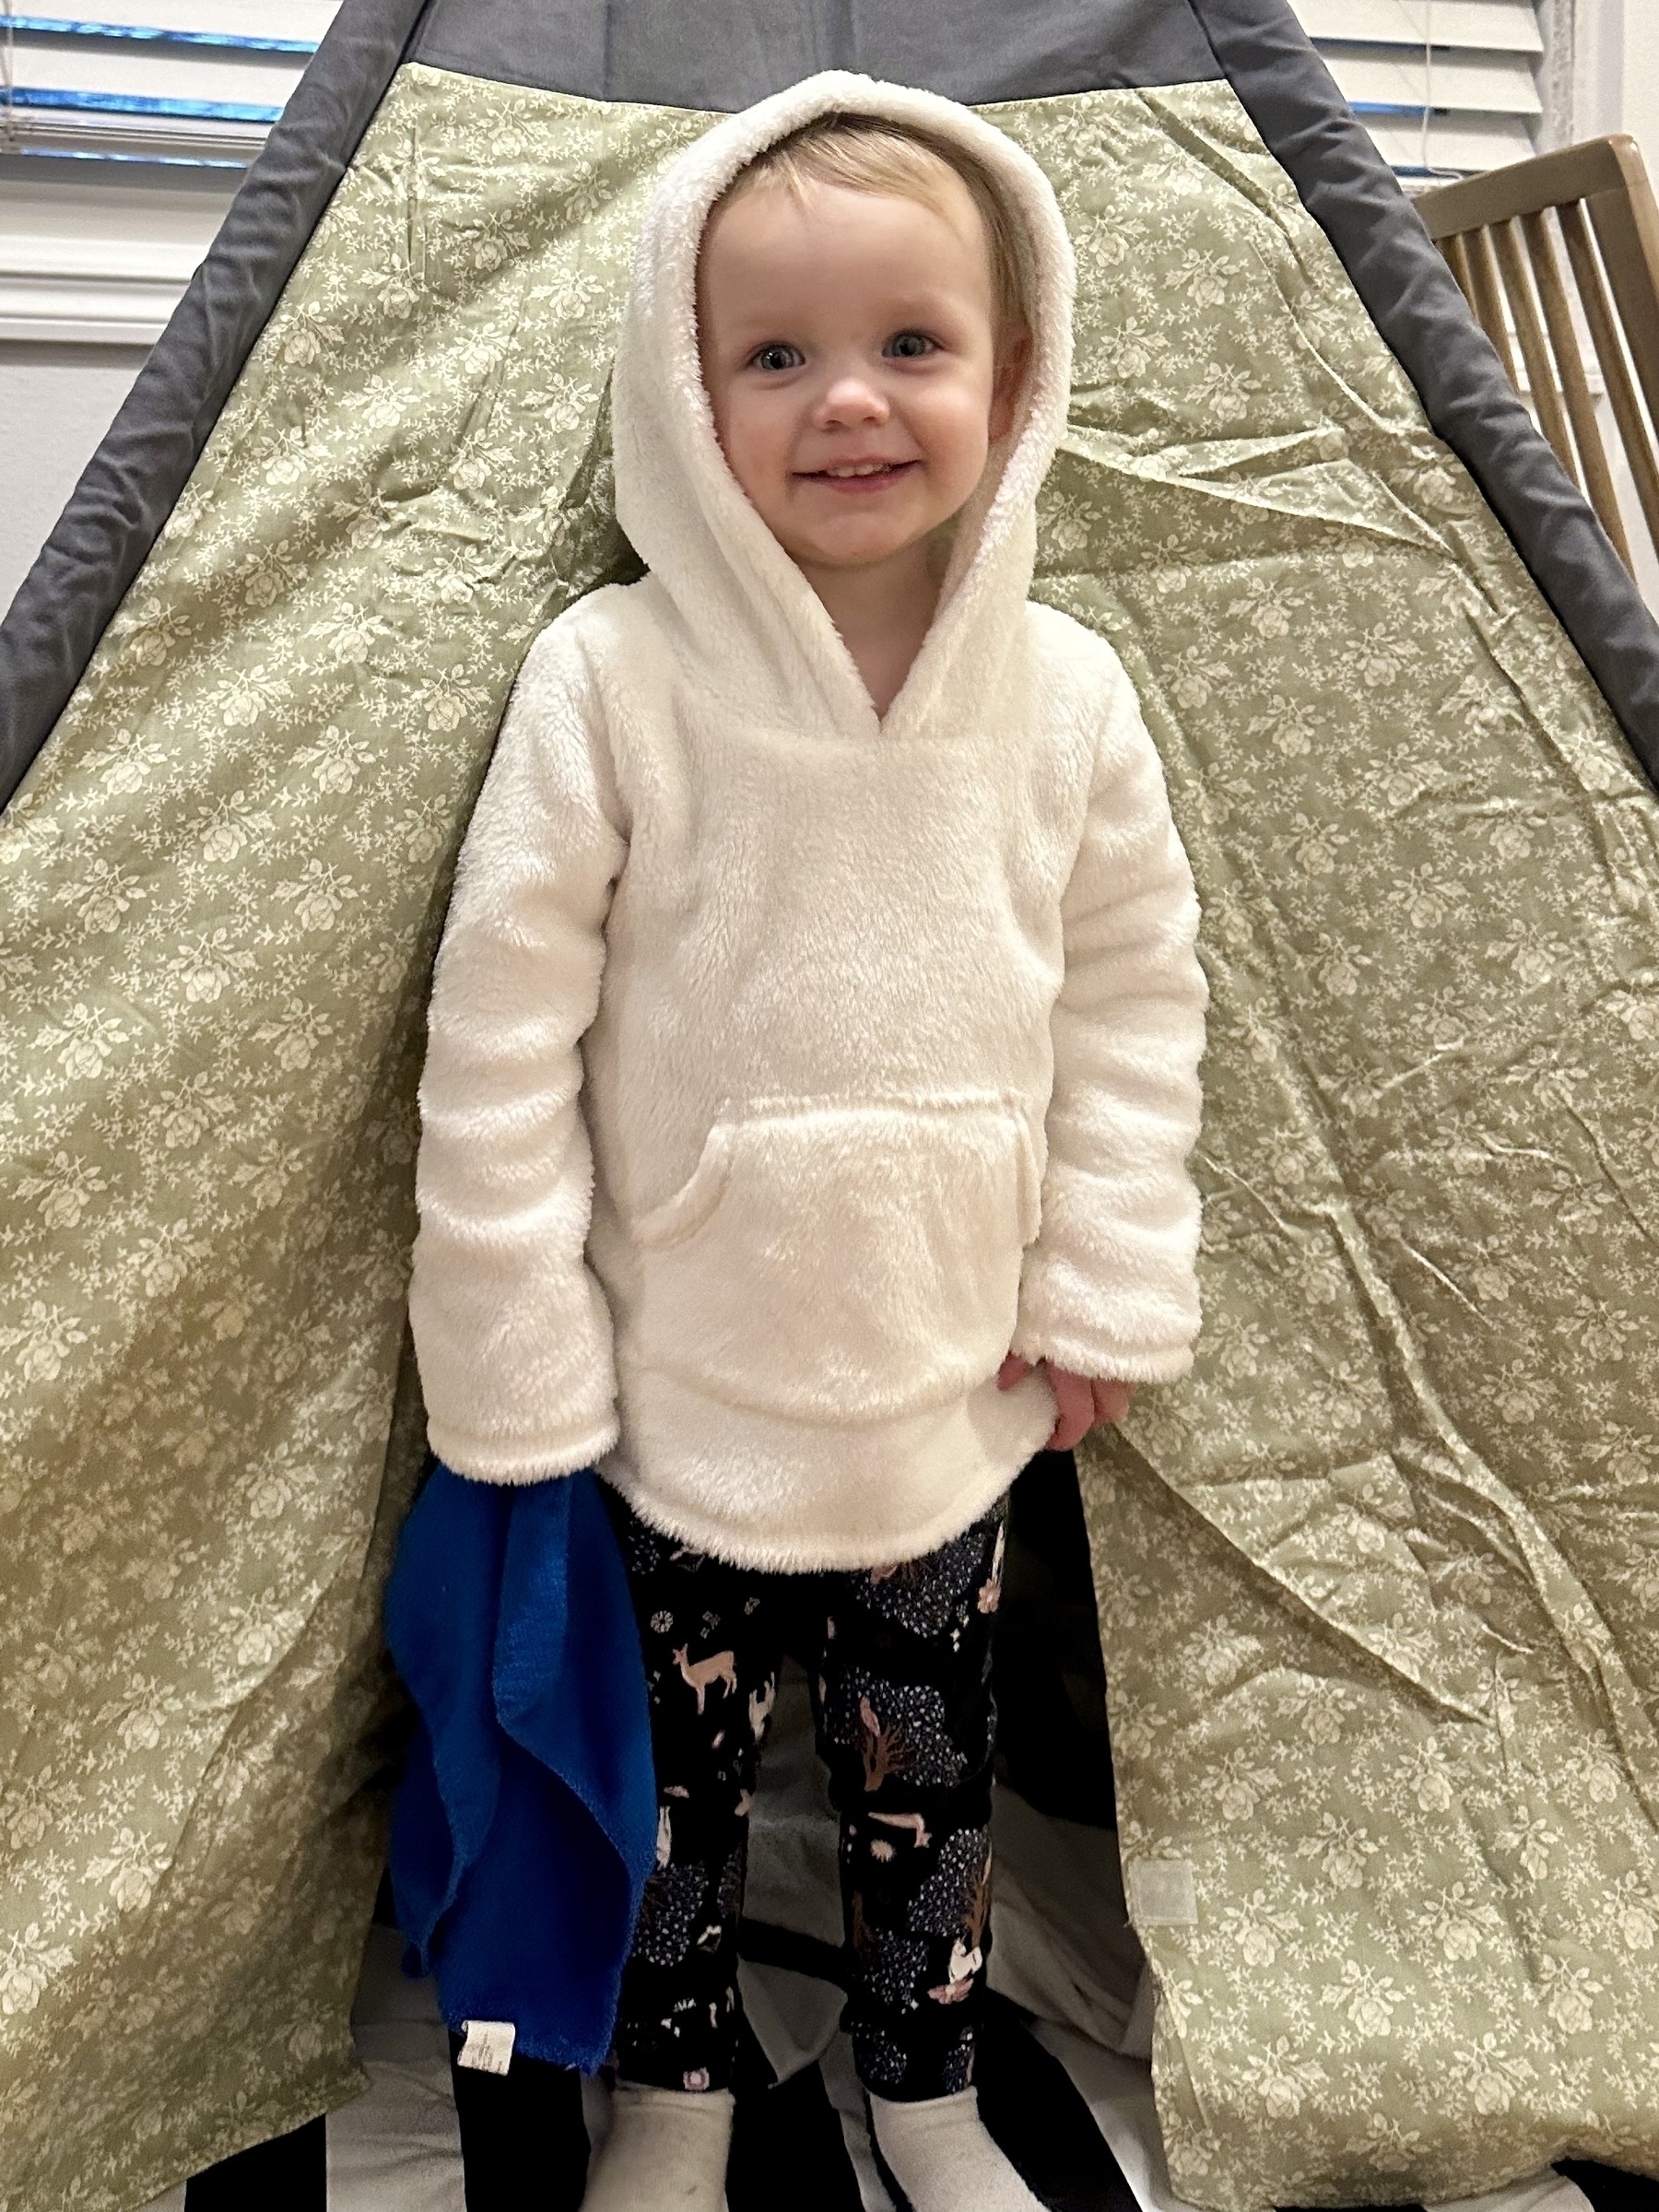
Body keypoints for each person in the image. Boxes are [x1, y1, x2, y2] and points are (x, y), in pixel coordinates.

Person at [408, 70, 1207, 2212]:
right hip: (671, 1372)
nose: (846, 401)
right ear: (687, 392)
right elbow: (501, 1030)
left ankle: (924, 2093)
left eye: (909, 343)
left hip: (950, 1377)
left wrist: (1104, 1280)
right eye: (775, 354)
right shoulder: (608, 679)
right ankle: (671, 2096)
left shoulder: (1070, 695)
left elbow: (1135, 1002)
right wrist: (514, 1356)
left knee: (927, 1786)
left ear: (1012, 378)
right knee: (667, 1793)